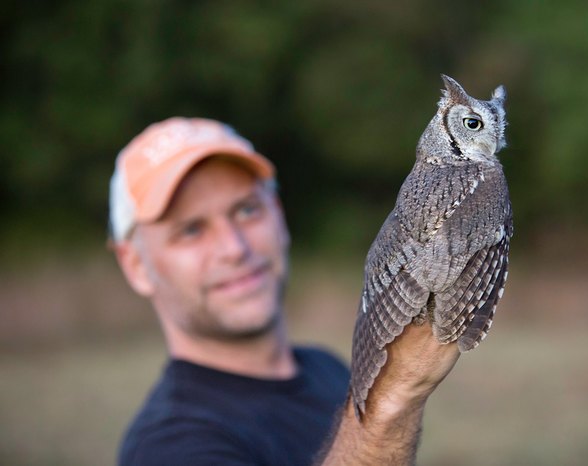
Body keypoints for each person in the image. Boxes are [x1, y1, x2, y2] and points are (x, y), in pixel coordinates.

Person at [110, 117, 461, 465]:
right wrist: (392, 401)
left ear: (277, 213)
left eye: (247, 209)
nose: (234, 247)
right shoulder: (167, 448)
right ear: (135, 266)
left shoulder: (327, 370)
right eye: (190, 230)